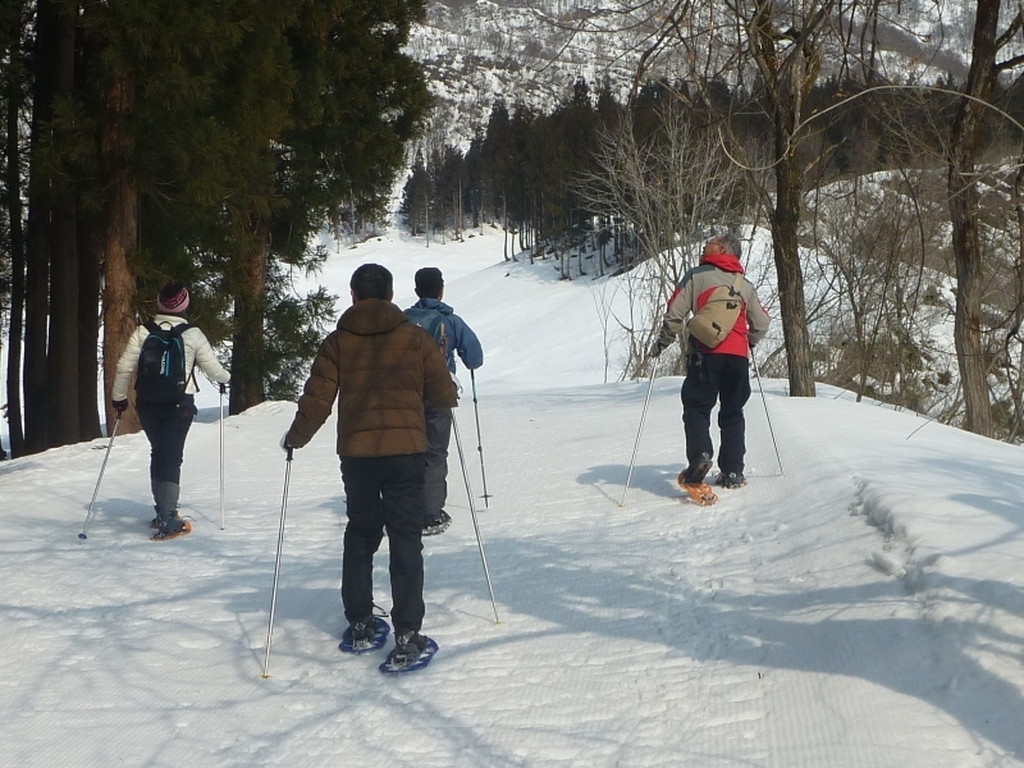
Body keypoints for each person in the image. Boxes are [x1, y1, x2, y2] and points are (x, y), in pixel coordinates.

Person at [282, 263, 457, 669]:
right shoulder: (414, 339)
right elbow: (443, 392)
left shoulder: (338, 342)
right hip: (406, 452)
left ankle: (360, 623)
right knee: (405, 536)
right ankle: (408, 633)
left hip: (358, 455)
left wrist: (296, 438)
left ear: (354, 296)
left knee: (361, 532)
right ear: (392, 296)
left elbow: (317, 400)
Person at [649, 233, 771, 490]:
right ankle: (733, 472)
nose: (705, 245)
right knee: (733, 412)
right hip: (738, 357)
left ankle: (701, 456)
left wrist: (662, 342)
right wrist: (749, 342)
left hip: (705, 352)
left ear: (723, 249)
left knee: (697, 407)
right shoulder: (745, 285)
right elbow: (761, 322)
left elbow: (675, 313)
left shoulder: (696, 275)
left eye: (711, 242)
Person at [112, 282, 230, 540]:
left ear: (159, 303)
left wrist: (119, 399)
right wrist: (226, 378)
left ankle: (161, 511)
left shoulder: (143, 332)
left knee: (159, 452)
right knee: (172, 456)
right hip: (179, 405)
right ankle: (168, 519)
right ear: (185, 304)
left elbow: (123, 368)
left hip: (147, 404)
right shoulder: (193, 334)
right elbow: (214, 370)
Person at [405, 267, 484, 536]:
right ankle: (430, 514)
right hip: (439, 393)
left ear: (417, 291)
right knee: (435, 452)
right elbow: (474, 358)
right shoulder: (450, 320)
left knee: (406, 451)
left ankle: (403, 508)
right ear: (441, 290)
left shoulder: (403, 320)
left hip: (406, 394)